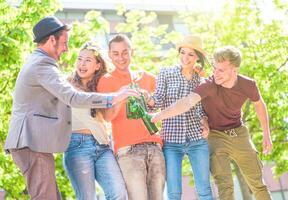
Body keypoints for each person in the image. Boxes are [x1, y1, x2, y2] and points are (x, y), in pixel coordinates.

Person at [4, 16, 138, 200]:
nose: (66, 48)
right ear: (52, 40)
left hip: (34, 142)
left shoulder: (38, 62)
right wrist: (114, 97)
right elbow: (73, 97)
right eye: (64, 43)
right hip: (30, 141)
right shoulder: (42, 65)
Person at [152, 46, 273, 200]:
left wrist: (266, 134)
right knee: (225, 186)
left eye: (221, 70)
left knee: (257, 184)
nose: (216, 73)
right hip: (215, 136)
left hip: (239, 133)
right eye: (215, 68)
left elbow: (259, 104)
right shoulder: (209, 85)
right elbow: (187, 102)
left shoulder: (248, 84)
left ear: (234, 70)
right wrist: (160, 115)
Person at [97, 34, 166, 200]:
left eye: (124, 52)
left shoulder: (148, 78)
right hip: (128, 150)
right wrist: (121, 96)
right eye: (115, 53)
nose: (121, 58)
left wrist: (149, 100)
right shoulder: (106, 81)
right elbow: (107, 117)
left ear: (131, 52)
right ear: (110, 55)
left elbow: (166, 105)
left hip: (155, 146)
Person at [145, 35, 213, 200]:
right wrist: (150, 101)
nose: (185, 58)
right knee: (174, 193)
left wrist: (205, 122)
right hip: (171, 141)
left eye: (191, 54)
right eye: (183, 52)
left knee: (204, 190)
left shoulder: (201, 79)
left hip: (197, 138)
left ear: (197, 57)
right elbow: (159, 98)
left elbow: (201, 109)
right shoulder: (166, 73)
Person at [63, 42, 127, 200]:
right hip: (77, 145)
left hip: (102, 146)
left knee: (118, 193)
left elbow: (107, 117)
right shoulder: (66, 85)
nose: (82, 64)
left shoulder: (101, 87)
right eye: (79, 59)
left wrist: (120, 99)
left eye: (88, 60)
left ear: (98, 65)